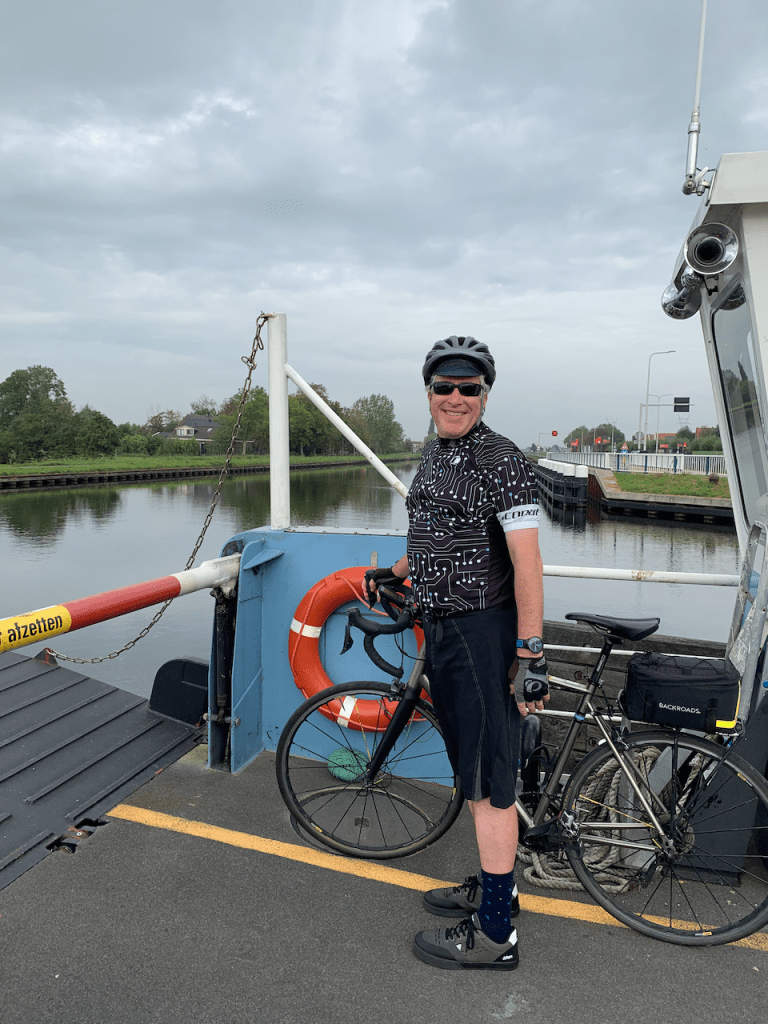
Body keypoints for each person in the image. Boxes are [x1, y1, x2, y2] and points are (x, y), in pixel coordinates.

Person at [364, 335, 548, 971]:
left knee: (487, 783)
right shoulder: (435, 457)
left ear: (485, 395)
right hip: (443, 629)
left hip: (481, 633)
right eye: (445, 386)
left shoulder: (501, 460)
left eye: (469, 388)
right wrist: (398, 572)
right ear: (430, 392)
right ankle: (501, 888)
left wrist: (530, 653)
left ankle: (496, 934)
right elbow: (438, 539)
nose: (455, 398)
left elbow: (526, 560)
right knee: (471, 767)